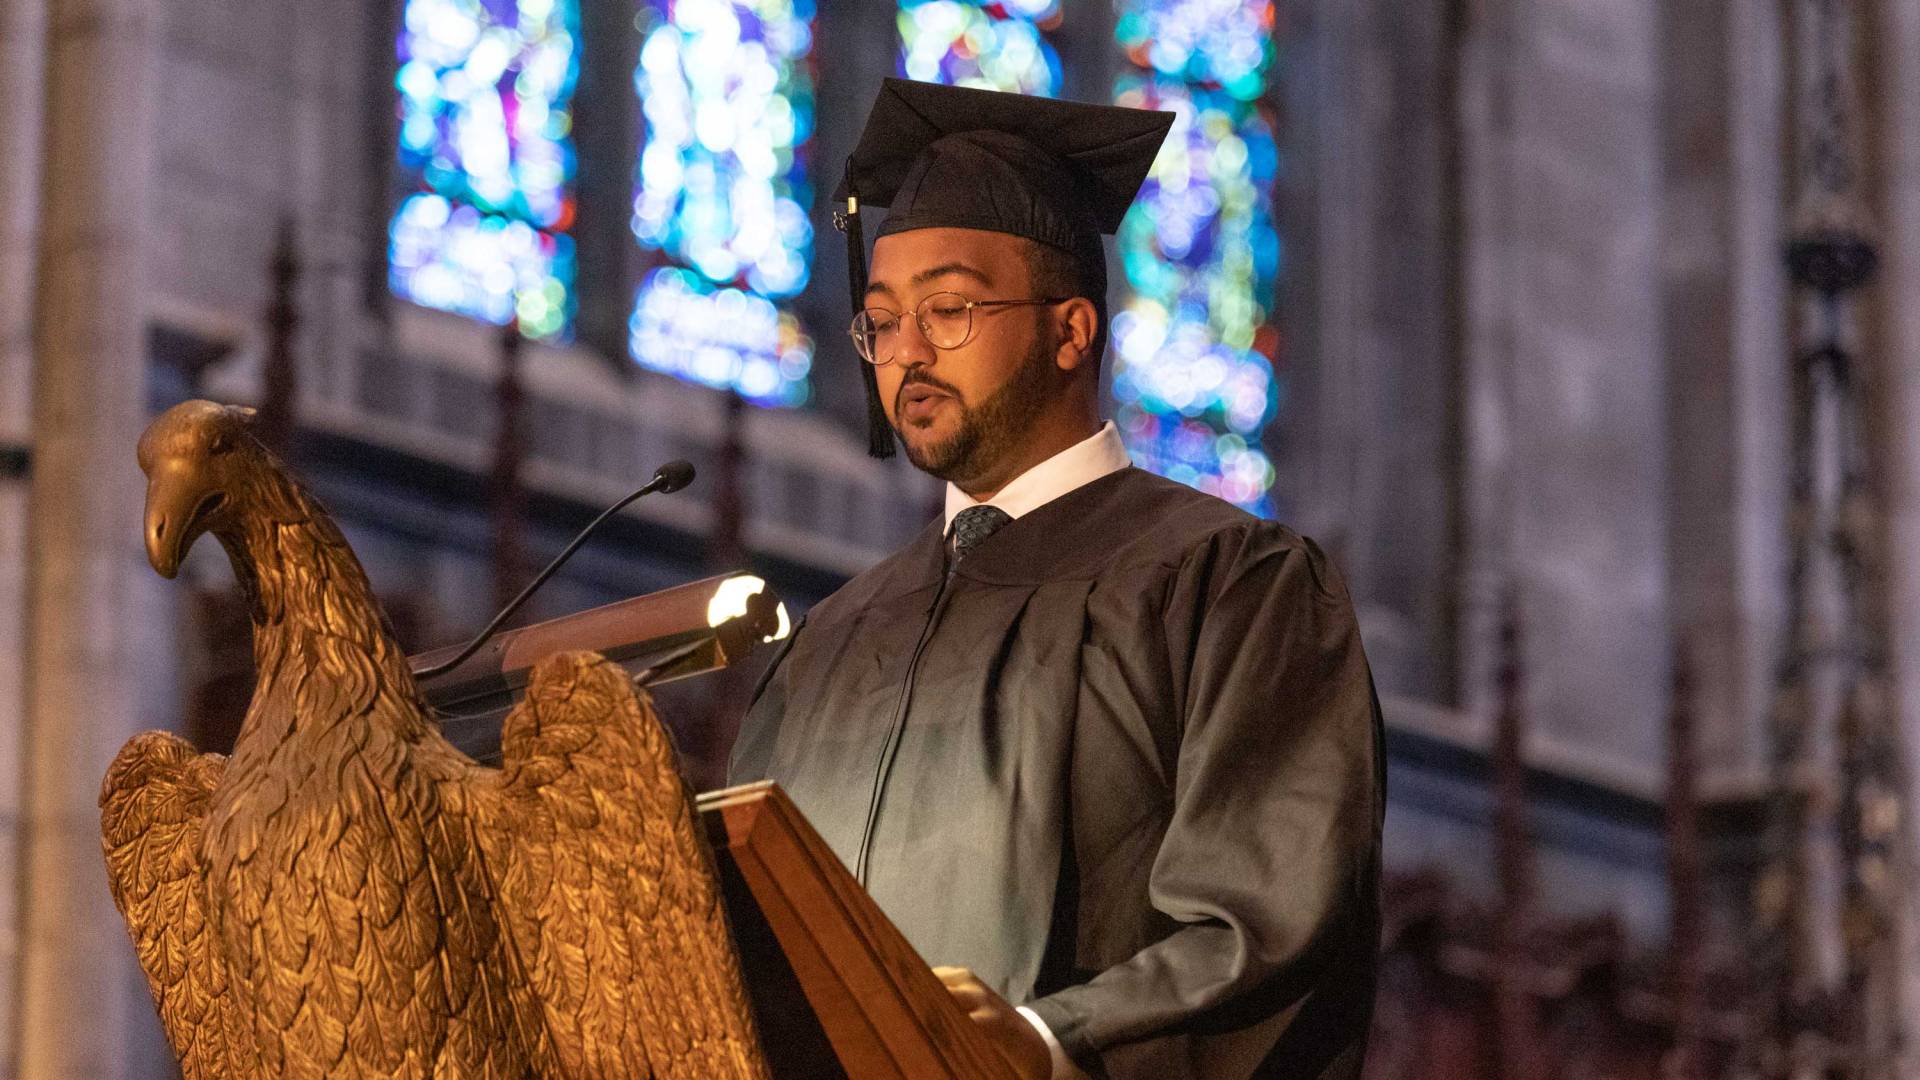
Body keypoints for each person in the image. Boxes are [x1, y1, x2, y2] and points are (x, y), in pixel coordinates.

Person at [728, 78, 1385, 1080]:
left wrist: (1042, 1039)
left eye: (948, 310)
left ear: (1071, 330)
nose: (906, 354)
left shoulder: (1226, 585)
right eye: (882, 321)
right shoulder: (833, 640)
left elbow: (1270, 920)